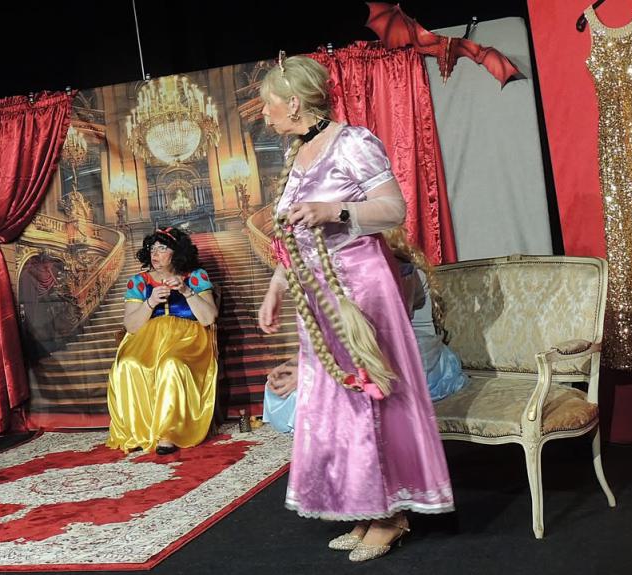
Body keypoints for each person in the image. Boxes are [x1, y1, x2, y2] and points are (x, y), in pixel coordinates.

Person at [257, 54, 453, 562]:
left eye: (269, 103)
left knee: (373, 395)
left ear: (294, 103)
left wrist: (336, 209)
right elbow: (295, 237)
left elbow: (394, 209)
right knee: (339, 402)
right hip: (315, 294)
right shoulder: (297, 154)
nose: (264, 113)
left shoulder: (353, 143)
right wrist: (277, 288)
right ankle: (366, 507)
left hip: (359, 288)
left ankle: (392, 516)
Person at [263, 232, 469, 432]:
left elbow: (377, 343)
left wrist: (310, 373)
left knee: (314, 398)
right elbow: (329, 336)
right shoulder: (328, 268)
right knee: (286, 391)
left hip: (401, 356)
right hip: (356, 353)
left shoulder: (387, 269)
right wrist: (297, 364)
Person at [106, 227, 218, 455]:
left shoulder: (195, 276)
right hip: (147, 339)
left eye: (162, 248)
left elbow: (208, 318)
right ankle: (139, 432)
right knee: (128, 364)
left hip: (188, 338)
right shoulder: (139, 282)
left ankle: (169, 433)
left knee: (171, 364)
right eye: (152, 249)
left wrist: (186, 291)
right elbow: (131, 325)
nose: (154, 254)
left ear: (177, 252)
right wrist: (150, 302)